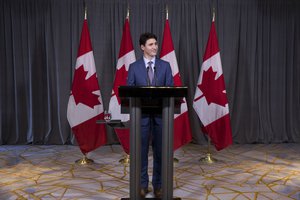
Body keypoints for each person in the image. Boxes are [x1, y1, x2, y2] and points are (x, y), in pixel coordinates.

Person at [127, 32, 174, 198]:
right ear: (142, 47)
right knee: (140, 152)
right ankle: (142, 185)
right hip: (141, 117)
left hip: (163, 117)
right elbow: (129, 91)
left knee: (161, 152)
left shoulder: (166, 65)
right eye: (151, 44)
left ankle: (159, 185)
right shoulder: (134, 67)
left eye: (155, 44)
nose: (155, 47)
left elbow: (170, 89)